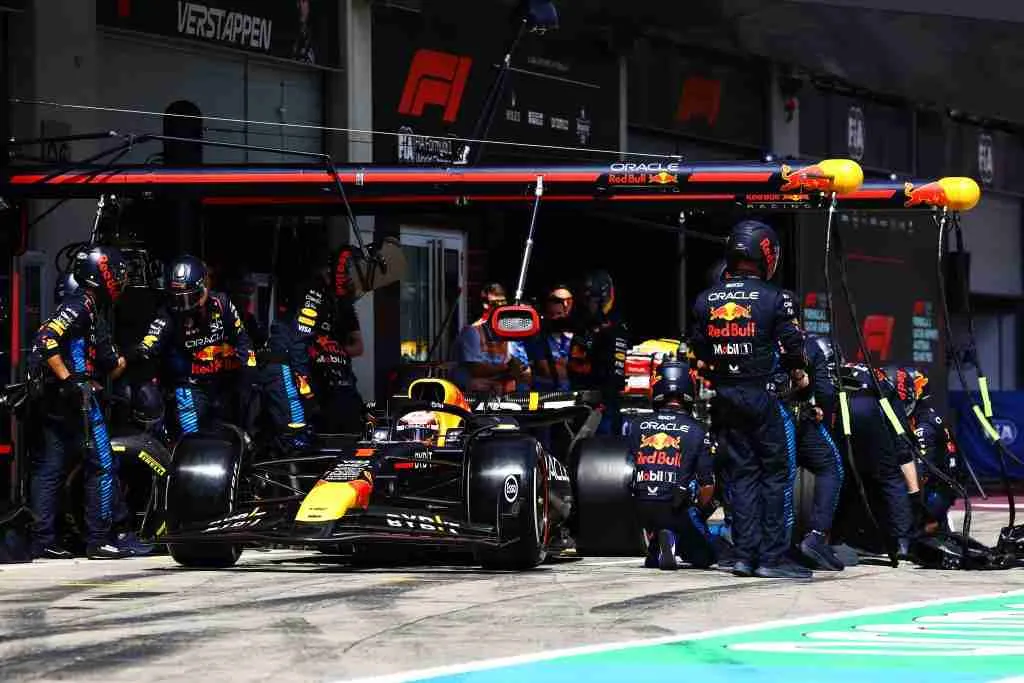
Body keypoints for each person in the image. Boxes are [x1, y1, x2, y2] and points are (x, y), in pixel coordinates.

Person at [690, 220, 811, 579]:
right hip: (764, 396)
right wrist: (799, 374)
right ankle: (771, 558)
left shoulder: (705, 299)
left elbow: (698, 347)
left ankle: (743, 556)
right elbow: (793, 347)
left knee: (740, 476)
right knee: (775, 474)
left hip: (726, 396)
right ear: (767, 254)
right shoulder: (778, 298)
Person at [27, 246, 140, 559]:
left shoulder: (90, 310)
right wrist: (70, 380)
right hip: (76, 400)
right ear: (101, 273)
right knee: (102, 465)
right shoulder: (80, 305)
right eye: (117, 274)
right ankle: (99, 539)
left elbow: (110, 362)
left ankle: (43, 541)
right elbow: (46, 338)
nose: (121, 280)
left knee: (50, 468)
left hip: (58, 402)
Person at [134, 255, 255, 438]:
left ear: (203, 290)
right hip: (189, 387)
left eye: (189, 297)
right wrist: (141, 351)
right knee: (190, 438)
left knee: (233, 434)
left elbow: (242, 339)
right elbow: (149, 342)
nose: (183, 306)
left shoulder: (222, 304)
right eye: (178, 299)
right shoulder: (167, 314)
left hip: (224, 383)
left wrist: (248, 370)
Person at [263, 247, 366, 444]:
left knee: (348, 416)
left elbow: (358, 346)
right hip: (291, 364)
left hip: (329, 373)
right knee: (298, 428)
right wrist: (308, 391)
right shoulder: (312, 292)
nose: (353, 281)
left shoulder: (342, 304)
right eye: (351, 274)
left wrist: (332, 350)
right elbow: (298, 345)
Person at [629, 361, 717, 570]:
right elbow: (708, 486)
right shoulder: (698, 430)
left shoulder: (636, 425)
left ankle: (654, 543)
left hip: (640, 508)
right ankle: (671, 534)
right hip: (674, 507)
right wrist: (698, 509)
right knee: (709, 556)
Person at [837, 363, 921, 560]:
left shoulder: (851, 368)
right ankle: (902, 542)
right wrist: (915, 494)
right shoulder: (886, 386)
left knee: (842, 474)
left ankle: (835, 536)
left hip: (839, 407)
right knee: (890, 477)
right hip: (864, 410)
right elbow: (902, 450)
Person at [791, 333, 846, 570]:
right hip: (800, 420)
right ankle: (816, 535)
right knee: (832, 468)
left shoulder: (757, 339)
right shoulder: (805, 344)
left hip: (760, 419)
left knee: (769, 477)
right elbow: (824, 391)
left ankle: (768, 543)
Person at [567, 270, 628, 434]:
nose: (587, 304)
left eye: (591, 299)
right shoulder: (583, 325)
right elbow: (574, 363)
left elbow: (615, 375)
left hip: (603, 401)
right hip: (581, 398)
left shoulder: (614, 327)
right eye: (586, 299)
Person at [453, 283, 531, 394]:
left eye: (503, 304)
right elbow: (476, 369)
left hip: (506, 395)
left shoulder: (512, 332)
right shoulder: (472, 332)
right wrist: (509, 368)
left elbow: (525, 371)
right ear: (485, 305)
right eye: (495, 304)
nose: (500, 309)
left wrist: (519, 370)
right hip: (476, 397)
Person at [524, 284, 574, 392]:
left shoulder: (578, 334)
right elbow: (545, 369)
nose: (565, 305)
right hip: (542, 398)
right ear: (546, 304)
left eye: (569, 300)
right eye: (558, 301)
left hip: (574, 397)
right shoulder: (535, 334)